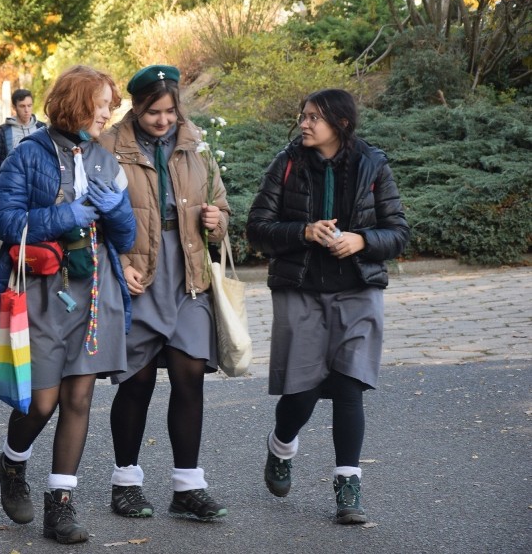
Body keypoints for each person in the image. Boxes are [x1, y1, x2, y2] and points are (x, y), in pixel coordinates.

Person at [0, 65, 136, 544]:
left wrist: (119, 211)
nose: (107, 114)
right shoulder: (27, 155)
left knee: (79, 397)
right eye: (100, 105)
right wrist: (66, 213)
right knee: (42, 401)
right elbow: (4, 220)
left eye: (110, 105)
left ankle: (61, 504)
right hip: (43, 291)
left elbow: (126, 237)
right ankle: (12, 462)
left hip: (96, 290)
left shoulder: (107, 159)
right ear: (74, 103)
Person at [246, 88, 410, 524]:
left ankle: (348, 485)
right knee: (301, 393)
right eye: (303, 116)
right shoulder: (286, 164)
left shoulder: (372, 165)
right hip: (301, 289)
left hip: (358, 289)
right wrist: (303, 232)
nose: (304, 123)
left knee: (348, 385)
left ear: (340, 124)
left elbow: (398, 231)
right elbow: (257, 229)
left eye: (314, 117)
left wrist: (362, 240)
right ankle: (281, 445)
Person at [97, 65, 231, 521]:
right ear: (136, 107)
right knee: (137, 381)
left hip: (188, 272)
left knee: (190, 373)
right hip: (137, 273)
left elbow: (222, 204)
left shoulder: (197, 146)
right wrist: (118, 264)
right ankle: (126, 481)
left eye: (170, 110)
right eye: (153, 111)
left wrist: (218, 221)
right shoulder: (108, 147)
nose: (163, 120)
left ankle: (187, 485)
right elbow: (92, 216)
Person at [0, 88, 46, 216]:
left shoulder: (43, 129)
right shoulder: (4, 133)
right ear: (15, 107)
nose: (26, 110)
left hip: (39, 188)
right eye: (22, 106)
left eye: (29, 105)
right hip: (13, 189)